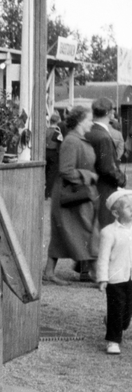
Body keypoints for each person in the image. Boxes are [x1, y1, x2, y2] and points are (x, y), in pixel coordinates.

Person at [45, 105, 99, 284]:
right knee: (84, 232)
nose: (92, 123)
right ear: (80, 121)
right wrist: (89, 176)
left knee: (66, 234)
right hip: (70, 194)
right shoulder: (71, 141)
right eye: (89, 119)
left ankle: (49, 272)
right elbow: (66, 170)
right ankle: (95, 274)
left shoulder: (78, 139)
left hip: (75, 193)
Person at [97, 188, 132, 355]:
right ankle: (113, 341)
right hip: (115, 278)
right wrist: (103, 278)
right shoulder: (108, 232)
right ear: (116, 213)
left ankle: (114, 322)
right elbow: (103, 257)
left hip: (130, 277)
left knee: (126, 315)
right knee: (116, 309)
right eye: (128, 207)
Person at [89, 97, 127, 228]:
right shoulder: (103, 136)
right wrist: (122, 179)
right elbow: (107, 168)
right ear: (109, 113)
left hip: (92, 187)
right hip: (104, 189)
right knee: (105, 226)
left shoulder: (89, 131)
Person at [45, 112, 63, 199]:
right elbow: (61, 143)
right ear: (57, 121)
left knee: (46, 172)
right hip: (54, 153)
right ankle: (48, 192)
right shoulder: (57, 132)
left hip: (45, 152)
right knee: (52, 173)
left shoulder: (46, 130)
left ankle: (46, 190)